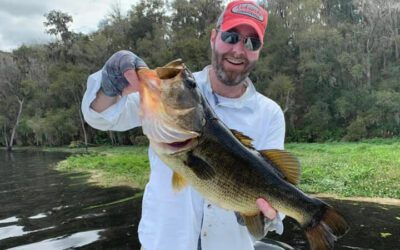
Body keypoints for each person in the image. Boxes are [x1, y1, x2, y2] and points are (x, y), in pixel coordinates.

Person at [82, 1, 288, 249]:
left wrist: (264, 218)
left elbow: (279, 192)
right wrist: (109, 85)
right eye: (231, 36)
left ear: (259, 51)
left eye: (251, 43)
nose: (238, 50)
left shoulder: (270, 113)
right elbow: (102, 116)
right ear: (214, 37)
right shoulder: (173, 93)